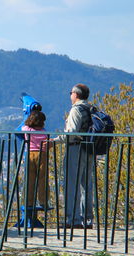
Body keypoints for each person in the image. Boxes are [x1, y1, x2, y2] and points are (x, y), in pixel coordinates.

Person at [53, 83, 94, 229]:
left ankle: (73, 219)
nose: (70, 95)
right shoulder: (90, 109)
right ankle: (87, 219)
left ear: (75, 95)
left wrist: (55, 141)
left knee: (71, 185)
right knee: (86, 185)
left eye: (71, 92)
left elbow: (71, 133)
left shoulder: (76, 110)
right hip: (89, 150)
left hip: (75, 148)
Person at [22, 110, 48, 209]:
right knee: (42, 179)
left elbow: (22, 127)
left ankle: (29, 201)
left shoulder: (27, 129)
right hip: (42, 155)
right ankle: (43, 201)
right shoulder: (44, 131)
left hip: (30, 154)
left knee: (30, 179)